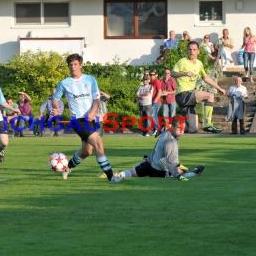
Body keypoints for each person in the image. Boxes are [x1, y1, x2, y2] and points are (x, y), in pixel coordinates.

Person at [52, 53, 122, 183]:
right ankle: (111, 176)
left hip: (91, 119)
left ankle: (67, 168)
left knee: (86, 151)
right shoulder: (64, 83)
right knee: (98, 143)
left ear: (81, 65)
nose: (73, 67)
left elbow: (96, 99)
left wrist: (92, 112)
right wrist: (56, 109)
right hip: (78, 120)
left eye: (75, 64)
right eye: (70, 64)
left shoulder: (90, 79)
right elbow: (55, 99)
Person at [116, 118, 205, 182]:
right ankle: (194, 172)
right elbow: (171, 162)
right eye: (179, 128)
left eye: (183, 128)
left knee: (132, 172)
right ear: (173, 127)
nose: (182, 131)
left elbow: (163, 128)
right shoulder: (171, 141)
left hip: (150, 163)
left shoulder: (167, 131)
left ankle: (117, 175)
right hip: (158, 171)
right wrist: (179, 176)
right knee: (182, 171)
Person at [172, 41, 226, 133]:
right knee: (210, 96)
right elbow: (173, 73)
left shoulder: (199, 64)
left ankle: (169, 128)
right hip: (183, 94)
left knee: (192, 129)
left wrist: (219, 88)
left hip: (189, 98)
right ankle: (208, 124)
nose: (191, 51)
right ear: (187, 51)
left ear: (198, 51)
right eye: (189, 49)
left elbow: (206, 78)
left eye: (194, 49)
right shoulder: (182, 61)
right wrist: (184, 73)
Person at [136, 72, 153, 137]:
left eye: (146, 79)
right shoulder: (140, 87)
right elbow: (137, 95)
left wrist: (140, 95)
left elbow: (148, 93)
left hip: (148, 104)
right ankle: (143, 132)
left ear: (149, 80)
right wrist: (141, 96)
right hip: (141, 104)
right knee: (143, 119)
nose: (145, 81)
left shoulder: (150, 86)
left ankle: (149, 132)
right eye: (144, 79)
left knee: (148, 119)